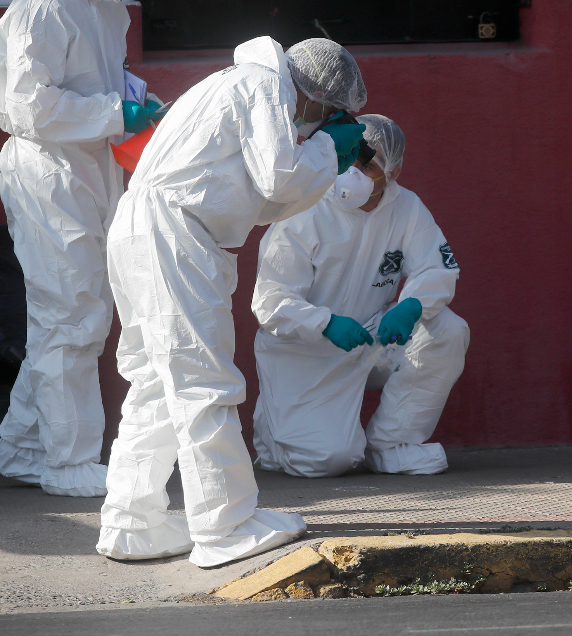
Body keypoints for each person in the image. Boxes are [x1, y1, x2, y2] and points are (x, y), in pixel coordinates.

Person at [96, 36, 366, 567]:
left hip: (146, 229)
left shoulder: (238, 85)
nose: (317, 125)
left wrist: (320, 155)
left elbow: (261, 199)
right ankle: (226, 525)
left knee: (155, 381)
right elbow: (280, 175)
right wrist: (326, 151)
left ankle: (133, 524)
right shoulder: (263, 85)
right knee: (204, 381)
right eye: (328, 114)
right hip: (174, 235)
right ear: (313, 96)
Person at [0, 0, 165, 497]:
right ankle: (69, 462)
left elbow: (104, 86)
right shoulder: (44, 8)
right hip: (49, 177)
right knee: (70, 316)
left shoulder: (111, 10)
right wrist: (117, 112)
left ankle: (24, 447)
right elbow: (23, 104)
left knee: (76, 314)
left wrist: (138, 105)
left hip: (92, 172)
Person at [251, 114, 469, 478]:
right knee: (325, 460)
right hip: (305, 352)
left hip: (372, 339)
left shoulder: (407, 208)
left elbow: (437, 268)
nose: (352, 170)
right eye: (349, 156)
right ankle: (273, 437)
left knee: (447, 330)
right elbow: (271, 301)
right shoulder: (304, 209)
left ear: (393, 173)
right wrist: (325, 323)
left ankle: (390, 445)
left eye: (366, 164)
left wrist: (412, 304)